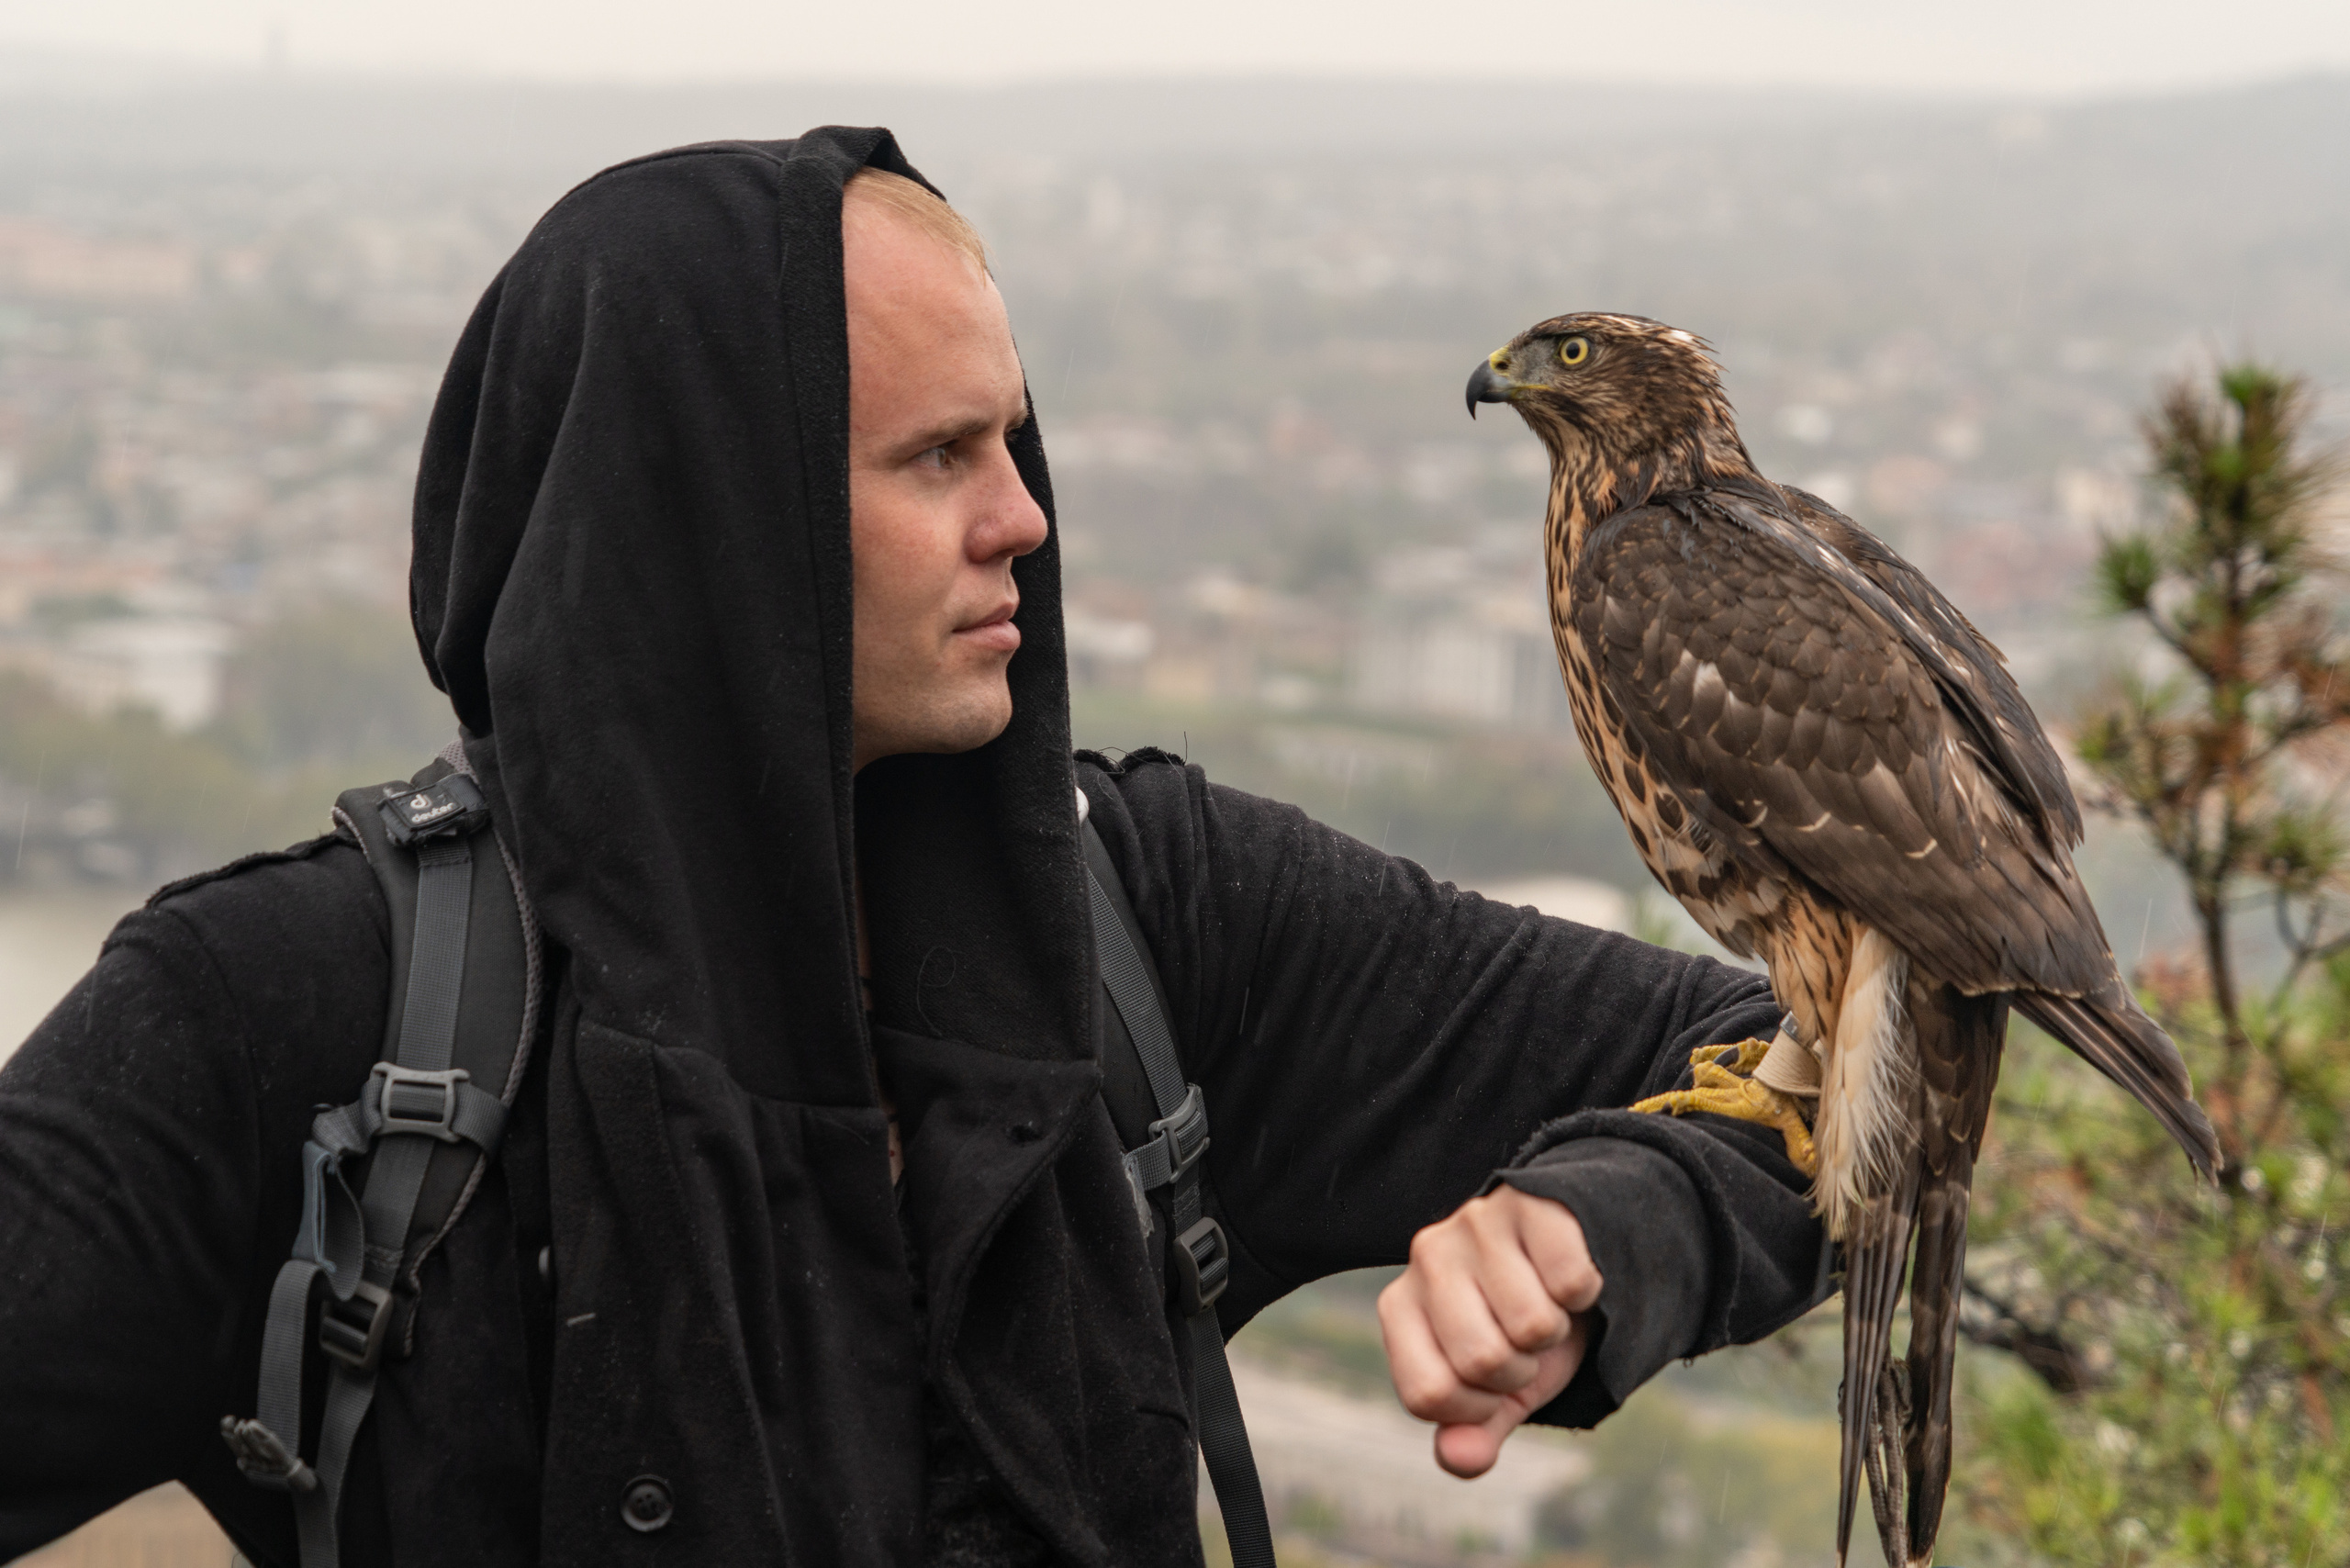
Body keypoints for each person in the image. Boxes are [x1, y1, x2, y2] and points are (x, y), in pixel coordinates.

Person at [0, 129, 1824, 1567]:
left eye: (1013, 438)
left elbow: (1822, 1079)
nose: (1022, 515)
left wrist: (1608, 1219)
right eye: (936, 456)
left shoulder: (1151, 917)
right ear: (709, 519)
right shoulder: (306, 1014)